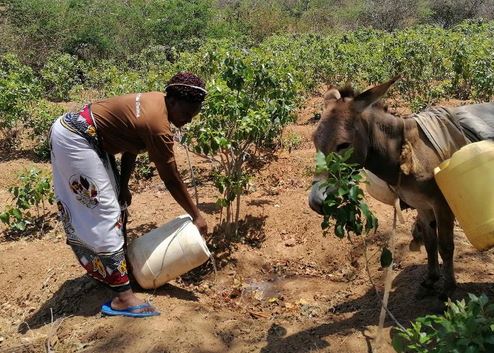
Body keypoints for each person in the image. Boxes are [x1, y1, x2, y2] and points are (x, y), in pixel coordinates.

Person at [49, 72, 208, 317]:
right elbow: (171, 178)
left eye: (193, 116)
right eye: (186, 114)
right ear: (174, 101)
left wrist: (123, 186)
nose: (187, 121)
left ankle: (115, 274)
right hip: (76, 138)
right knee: (105, 213)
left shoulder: (158, 102)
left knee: (116, 203)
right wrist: (196, 215)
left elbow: (131, 145)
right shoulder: (158, 124)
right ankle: (122, 296)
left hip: (89, 138)